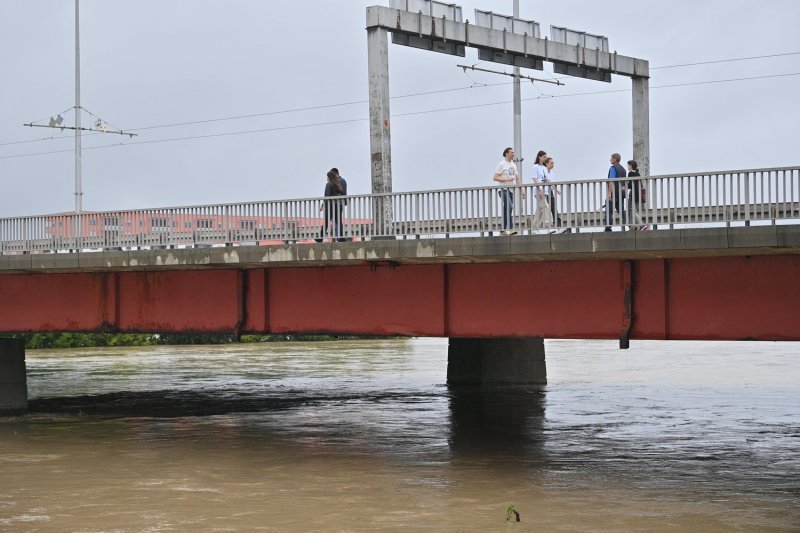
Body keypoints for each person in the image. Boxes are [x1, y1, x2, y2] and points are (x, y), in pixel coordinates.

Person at [492, 147, 523, 235]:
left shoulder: (513, 165)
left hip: (511, 190)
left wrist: (522, 189)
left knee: (508, 208)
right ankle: (509, 227)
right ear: (506, 153)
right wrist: (506, 179)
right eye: (511, 153)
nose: (513, 154)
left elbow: (517, 178)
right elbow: (495, 177)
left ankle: (504, 229)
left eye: (513, 152)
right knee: (509, 206)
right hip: (503, 189)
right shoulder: (501, 164)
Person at [316, 171, 346, 242]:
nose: (326, 178)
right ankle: (341, 237)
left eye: (327, 176)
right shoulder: (338, 185)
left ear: (329, 177)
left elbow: (327, 196)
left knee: (326, 221)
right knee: (338, 221)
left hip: (331, 206)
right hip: (338, 205)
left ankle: (320, 237)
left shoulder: (329, 184)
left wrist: (324, 205)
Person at [605, 153, 627, 232]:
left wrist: (609, 193)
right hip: (621, 193)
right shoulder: (623, 169)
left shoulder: (613, 168)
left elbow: (611, 181)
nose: (610, 160)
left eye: (611, 158)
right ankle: (629, 224)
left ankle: (608, 227)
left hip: (614, 193)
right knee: (621, 210)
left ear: (615, 159)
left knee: (609, 210)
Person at [532, 159, 554, 231]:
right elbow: (536, 180)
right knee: (546, 207)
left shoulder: (544, 168)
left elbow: (547, 180)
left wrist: (555, 188)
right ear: (539, 157)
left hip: (545, 191)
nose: (545, 158)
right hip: (539, 191)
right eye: (544, 157)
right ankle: (549, 225)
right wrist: (540, 190)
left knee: (539, 210)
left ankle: (534, 228)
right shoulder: (535, 167)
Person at [626, 160, 648, 230]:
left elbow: (630, 184)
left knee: (631, 210)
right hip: (638, 195)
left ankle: (641, 225)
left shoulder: (630, 173)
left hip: (633, 195)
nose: (627, 166)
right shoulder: (637, 173)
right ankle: (633, 226)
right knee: (632, 210)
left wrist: (624, 186)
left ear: (631, 166)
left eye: (628, 165)